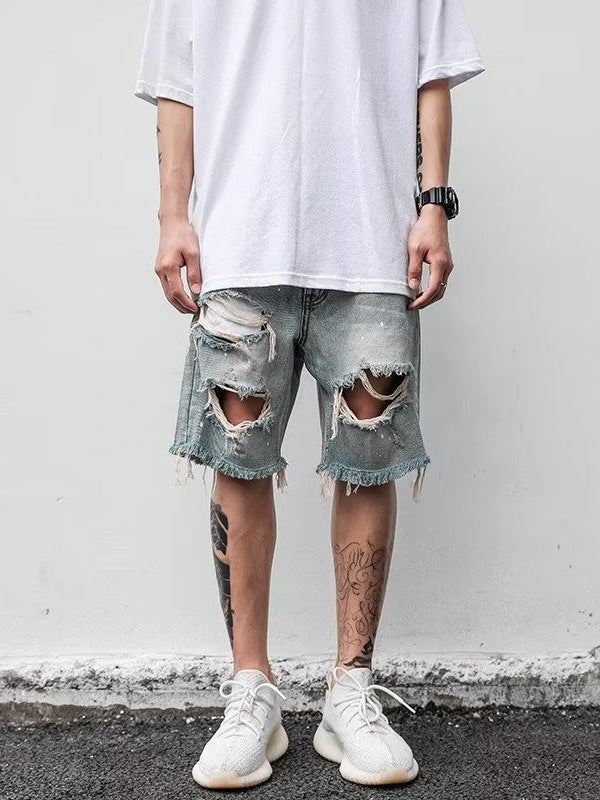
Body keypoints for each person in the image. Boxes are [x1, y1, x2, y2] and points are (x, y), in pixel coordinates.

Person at [135, 0, 483, 788]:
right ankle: (250, 690)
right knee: (238, 458)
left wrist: (435, 206)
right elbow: (177, 83)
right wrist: (171, 217)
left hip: (371, 240)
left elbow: (431, 71)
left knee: (368, 458)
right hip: (239, 236)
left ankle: (349, 692)